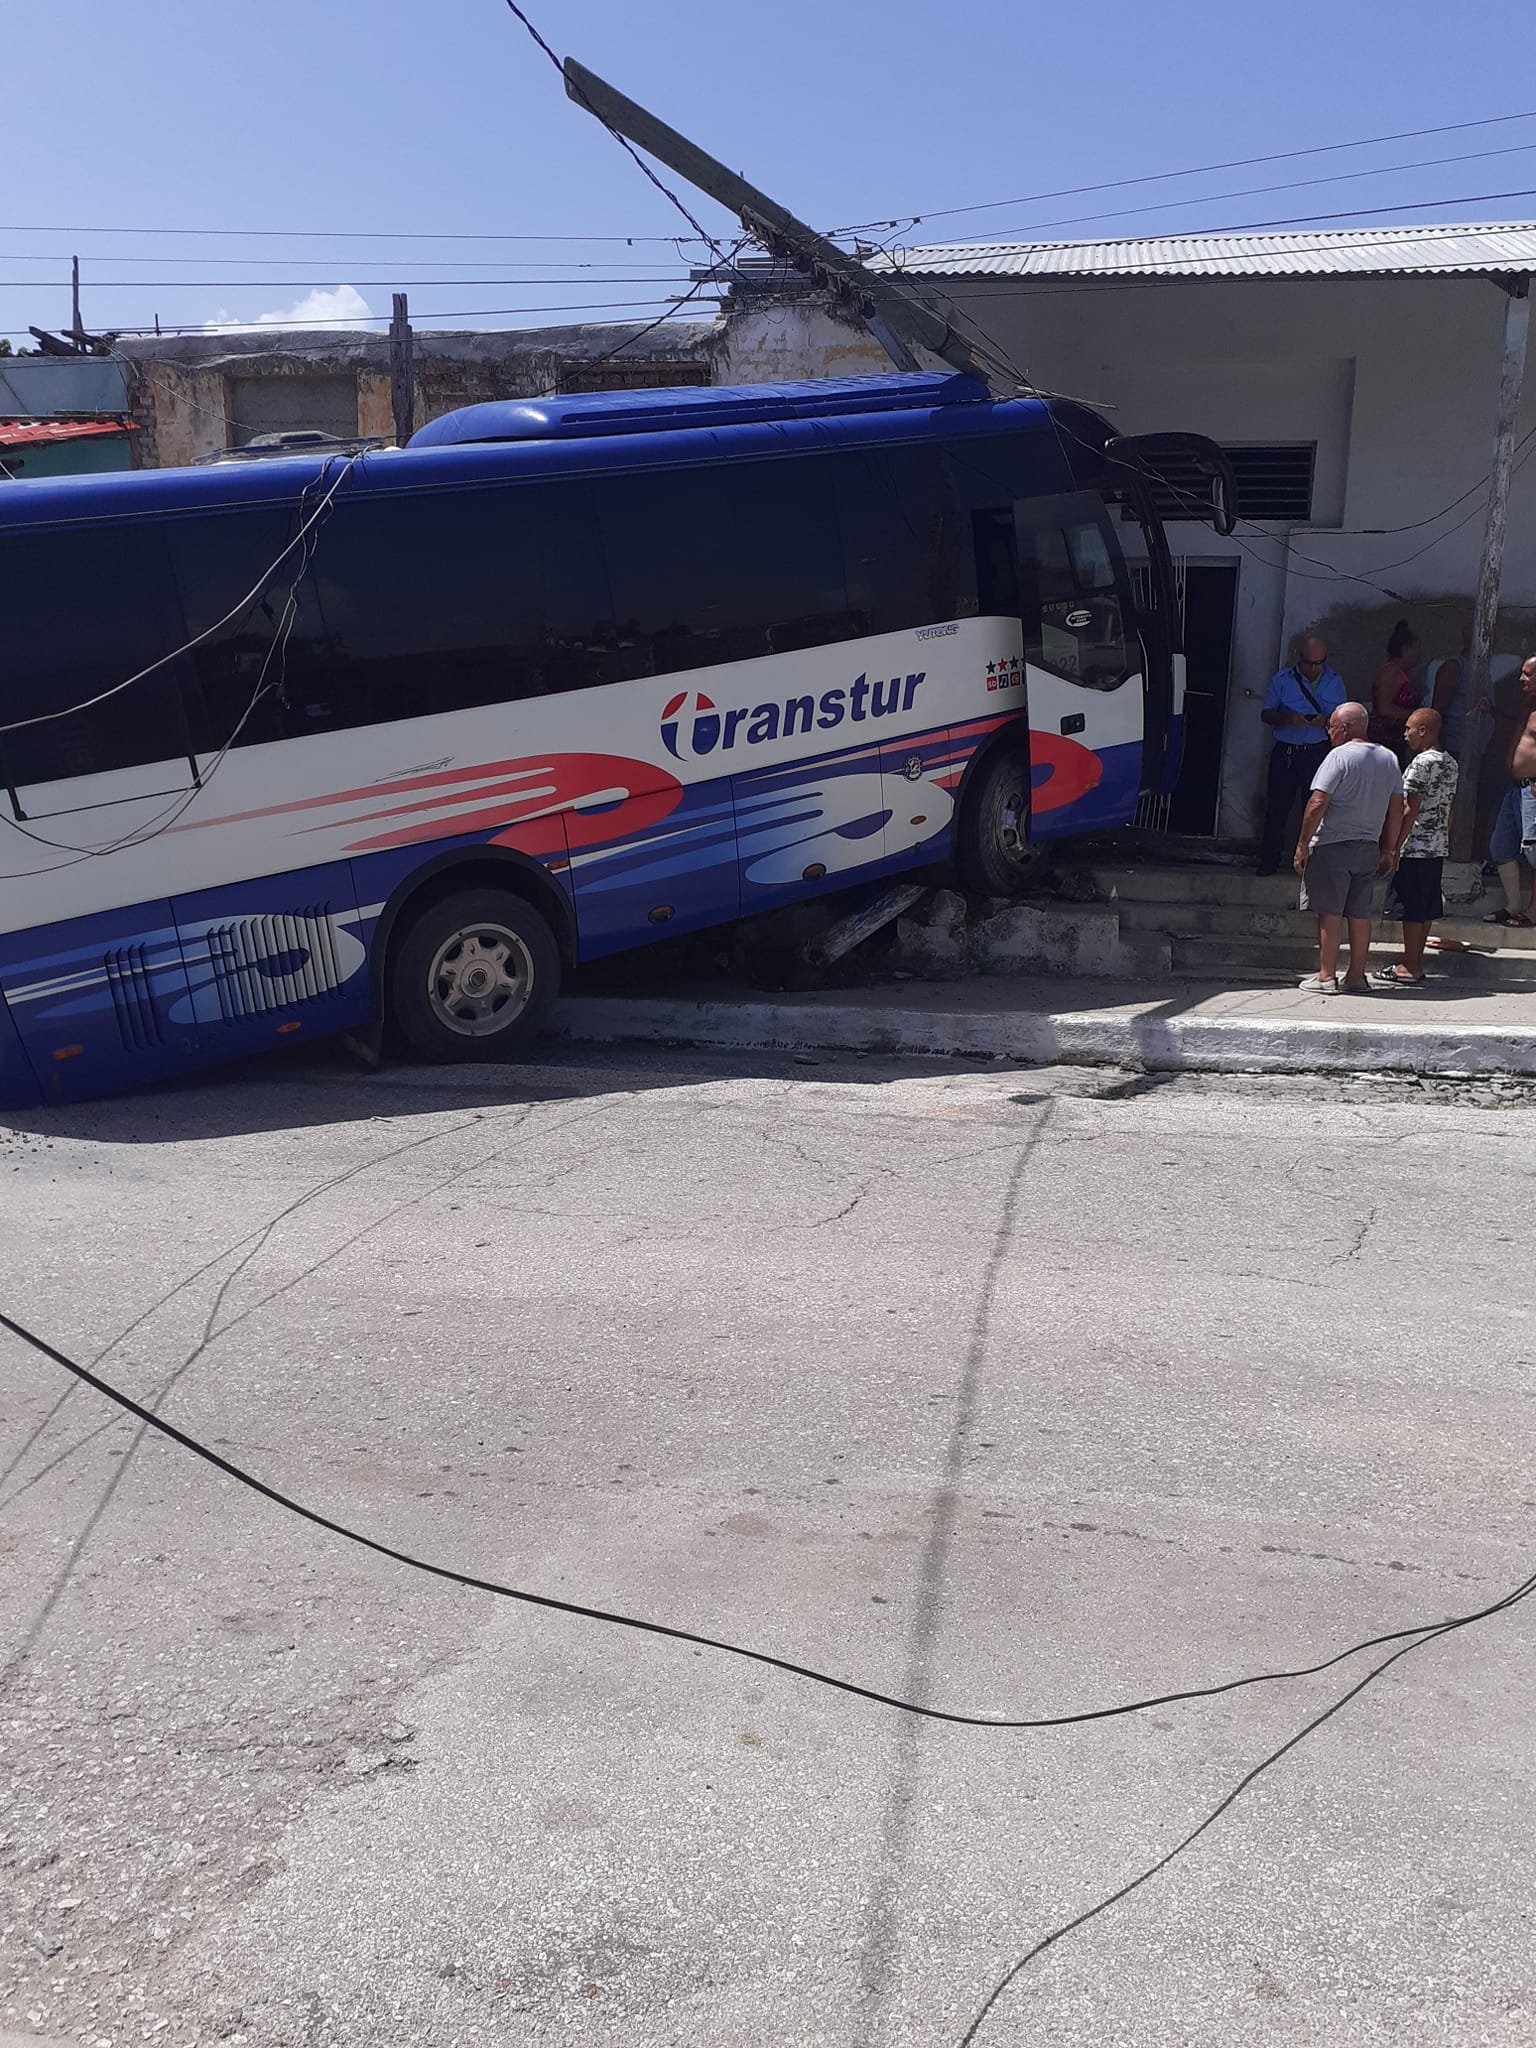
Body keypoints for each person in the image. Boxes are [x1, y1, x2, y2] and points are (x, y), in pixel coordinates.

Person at [1293, 702, 1405, 993]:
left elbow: (1318, 802)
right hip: (1368, 846)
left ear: (1344, 728)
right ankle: (1356, 976)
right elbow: (1396, 808)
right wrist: (1389, 849)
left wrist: (1302, 843)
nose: (1329, 732)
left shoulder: (1338, 756)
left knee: (1329, 911)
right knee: (1358, 913)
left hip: (1333, 844)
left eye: (1331, 726)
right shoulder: (1389, 758)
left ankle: (1326, 976)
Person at [1375, 706, 1458, 986]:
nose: (1405, 733)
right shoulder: (1450, 763)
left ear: (1423, 731)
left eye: (1409, 728)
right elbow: (1449, 807)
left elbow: (1410, 808)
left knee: (1410, 908)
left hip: (1415, 845)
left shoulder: (1422, 763)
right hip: (1436, 846)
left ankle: (1410, 965)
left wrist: (1394, 846)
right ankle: (1415, 962)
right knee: (1424, 907)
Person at [1257, 633, 1347, 875]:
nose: (1314, 669)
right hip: (1286, 751)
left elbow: (1343, 717)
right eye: (1309, 663)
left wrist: (1325, 721)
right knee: (1277, 808)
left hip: (1317, 752)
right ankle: (1268, 861)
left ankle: (1311, 864)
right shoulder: (1282, 680)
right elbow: (1266, 714)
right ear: (1300, 658)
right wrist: (1287, 718)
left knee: (1315, 808)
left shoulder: (1334, 681)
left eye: (1319, 663)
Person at [1485, 653, 1536, 928]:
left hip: (1533, 790)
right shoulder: (1527, 705)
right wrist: (1493, 712)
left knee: (1534, 853)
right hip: (1515, 788)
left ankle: (1533, 911)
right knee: (1501, 846)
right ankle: (1514, 905)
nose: (1521, 679)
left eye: (1528, 674)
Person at [1369, 619, 1422, 758]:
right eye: (1417, 648)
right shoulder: (1391, 672)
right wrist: (1416, 715)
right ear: (1405, 649)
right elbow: (1384, 708)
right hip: (1385, 741)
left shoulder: (1402, 672)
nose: (1419, 653)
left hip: (1397, 740)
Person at [1427, 625, 1473, 761]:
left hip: (1472, 748)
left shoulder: (1480, 667)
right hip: (1452, 747)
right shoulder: (1455, 667)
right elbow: (1437, 709)